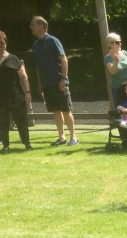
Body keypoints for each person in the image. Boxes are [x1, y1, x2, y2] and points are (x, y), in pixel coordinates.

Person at [0, 30, 32, 152]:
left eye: (3, 43)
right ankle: (6, 145)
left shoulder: (13, 58)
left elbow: (23, 76)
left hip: (15, 95)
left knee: (21, 120)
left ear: (6, 43)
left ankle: (27, 143)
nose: (0, 45)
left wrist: (27, 93)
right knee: (2, 122)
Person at [30, 16, 77, 146]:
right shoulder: (36, 44)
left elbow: (64, 60)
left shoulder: (52, 41)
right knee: (56, 111)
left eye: (33, 24)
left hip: (58, 82)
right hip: (46, 84)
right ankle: (61, 138)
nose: (31, 27)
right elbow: (39, 66)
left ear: (41, 26)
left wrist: (63, 79)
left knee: (66, 110)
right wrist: (40, 83)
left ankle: (74, 137)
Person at [103, 32, 127, 107]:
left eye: (120, 42)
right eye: (117, 42)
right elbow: (113, 72)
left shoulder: (125, 53)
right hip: (120, 89)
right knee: (122, 110)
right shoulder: (107, 58)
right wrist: (116, 61)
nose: (120, 44)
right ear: (110, 44)